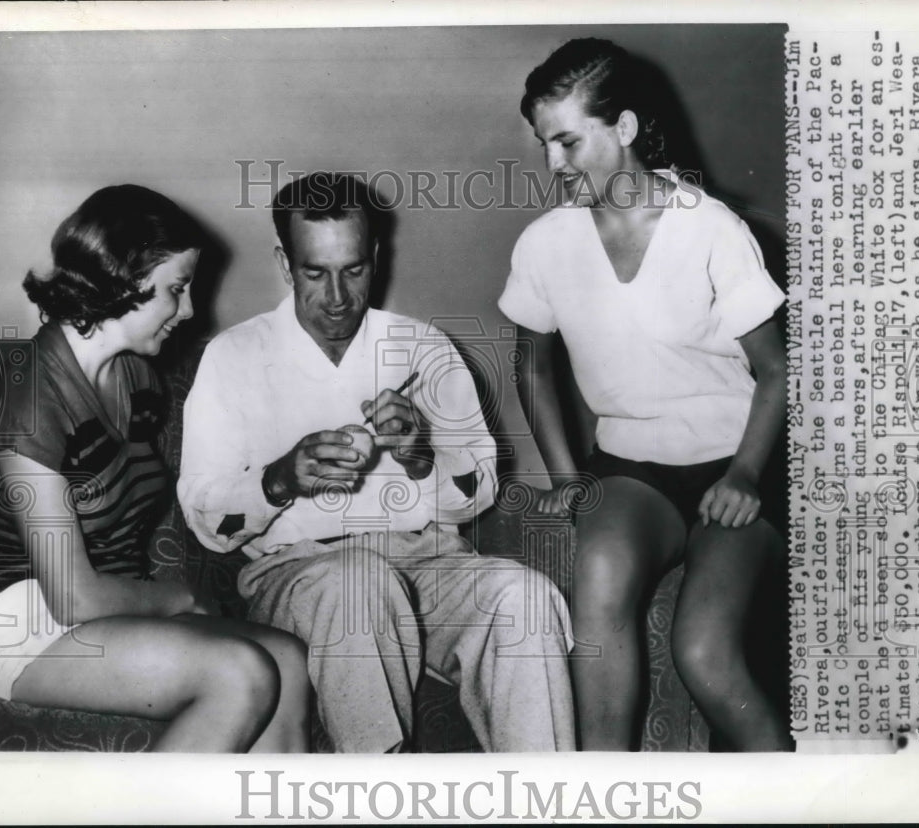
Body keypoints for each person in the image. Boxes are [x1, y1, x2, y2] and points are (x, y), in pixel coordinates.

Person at [178, 172, 575, 753]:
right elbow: (210, 524)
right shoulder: (234, 357)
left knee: (525, 598)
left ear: (377, 258)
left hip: (426, 559)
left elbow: (479, 491)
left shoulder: (423, 347)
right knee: (362, 585)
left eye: (354, 270)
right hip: (303, 573)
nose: (337, 298)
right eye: (315, 273)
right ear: (285, 264)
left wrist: (420, 457)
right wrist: (279, 479)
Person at [499, 38, 793, 751]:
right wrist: (567, 476)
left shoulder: (711, 228)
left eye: (568, 142)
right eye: (543, 145)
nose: (553, 165)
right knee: (596, 588)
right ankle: (606, 791)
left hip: (736, 463)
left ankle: (796, 787)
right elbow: (532, 363)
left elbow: (778, 372)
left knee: (702, 648)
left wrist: (746, 475)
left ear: (624, 128)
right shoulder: (545, 244)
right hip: (632, 466)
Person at [0, 185, 310, 753]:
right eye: (175, 290)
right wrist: (177, 598)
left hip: (101, 616)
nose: (189, 311)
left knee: (289, 659)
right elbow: (73, 600)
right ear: (123, 282)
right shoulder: (30, 401)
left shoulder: (137, 379)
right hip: (20, 627)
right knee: (240, 672)